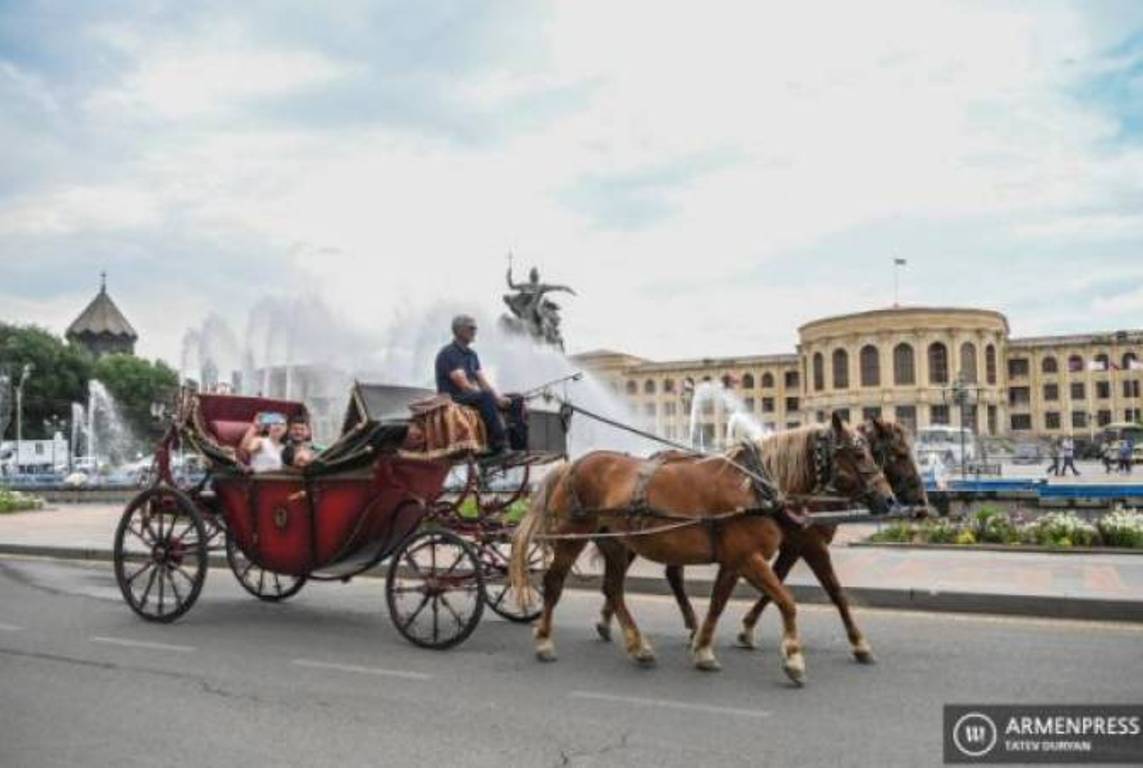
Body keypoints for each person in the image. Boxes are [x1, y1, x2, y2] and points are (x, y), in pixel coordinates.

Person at [435, 314, 526, 457]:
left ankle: (518, 446)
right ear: (459, 330)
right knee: (485, 396)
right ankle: (498, 446)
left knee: (516, 399)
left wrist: (499, 398)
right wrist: (492, 398)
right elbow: (463, 385)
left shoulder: (472, 354)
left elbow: (482, 381)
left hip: (470, 396)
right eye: (471, 328)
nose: (474, 331)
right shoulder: (448, 353)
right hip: (454, 398)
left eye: (475, 328)